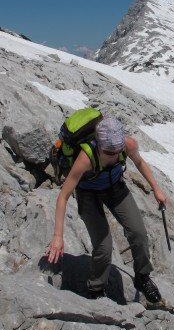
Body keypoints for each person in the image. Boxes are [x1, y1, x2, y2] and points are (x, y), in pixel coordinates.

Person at [44, 117, 167, 302]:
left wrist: (156, 189)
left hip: (115, 188)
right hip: (88, 193)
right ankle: (96, 289)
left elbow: (140, 163)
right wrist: (58, 236)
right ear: (99, 144)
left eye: (117, 151)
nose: (113, 155)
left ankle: (142, 277)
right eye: (108, 151)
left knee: (139, 233)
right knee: (103, 247)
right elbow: (63, 196)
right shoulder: (85, 158)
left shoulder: (128, 145)